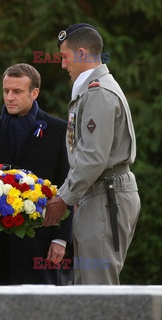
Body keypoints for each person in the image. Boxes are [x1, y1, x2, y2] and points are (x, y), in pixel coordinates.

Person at [43, 23, 140, 285]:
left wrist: (64, 197)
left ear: (83, 53)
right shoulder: (91, 90)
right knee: (87, 287)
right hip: (98, 193)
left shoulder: (98, 93)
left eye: (65, 57)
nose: (63, 65)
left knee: (98, 289)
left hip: (106, 195)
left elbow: (93, 158)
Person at [0, 63, 73, 285]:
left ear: (34, 93)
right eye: (6, 90)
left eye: (17, 91)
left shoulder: (57, 130)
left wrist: (61, 238)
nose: (9, 97)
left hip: (41, 241)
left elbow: (68, 186)